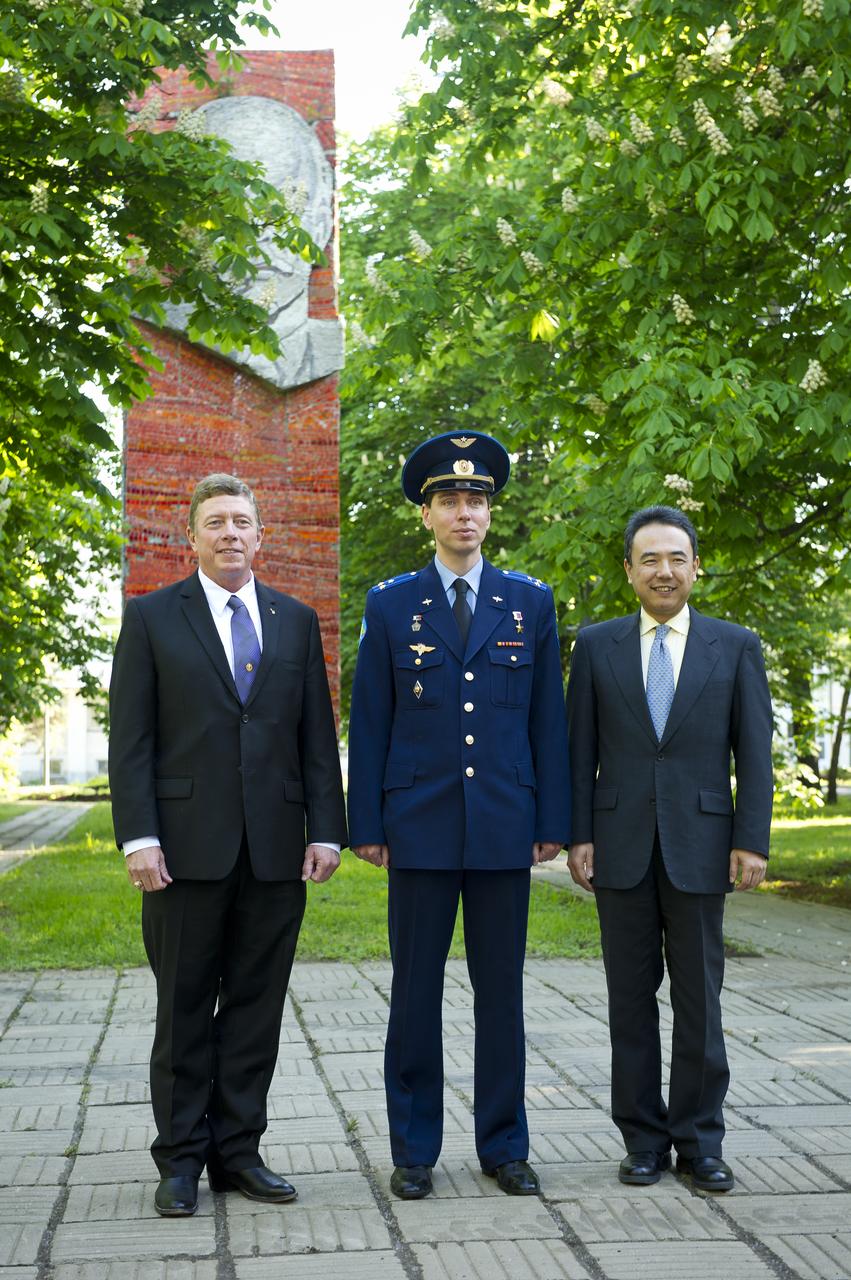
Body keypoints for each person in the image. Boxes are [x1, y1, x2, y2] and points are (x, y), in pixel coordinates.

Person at [109, 473, 347, 1217]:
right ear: (192, 537)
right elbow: (133, 741)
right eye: (215, 522)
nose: (230, 533)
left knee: (254, 1009)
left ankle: (238, 1153)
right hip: (182, 852)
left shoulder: (295, 620)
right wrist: (139, 838)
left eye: (242, 521)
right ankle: (179, 1160)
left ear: (259, 535)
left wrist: (328, 830)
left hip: (275, 852)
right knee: (183, 1009)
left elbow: (314, 735)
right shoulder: (151, 618)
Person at [347, 431, 570, 1200]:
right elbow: (369, 720)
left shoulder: (529, 602)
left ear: (490, 513)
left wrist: (555, 817)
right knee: (414, 994)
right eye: (449, 500)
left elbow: (549, 721)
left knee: (500, 992)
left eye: (476, 500)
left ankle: (504, 1146)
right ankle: (413, 1151)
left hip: (506, 822)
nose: (464, 513)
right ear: (427, 515)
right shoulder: (390, 604)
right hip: (418, 825)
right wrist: (366, 824)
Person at [566, 505, 773, 1193]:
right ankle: (643, 1142)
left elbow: (754, 753)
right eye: (649, 558)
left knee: (699, 1002)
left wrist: (750, 840)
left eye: (675, 558)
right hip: (618, 847)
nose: (663, 570)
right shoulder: (595, 647)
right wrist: (579, 835)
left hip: (703, 845)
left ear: (694, 567)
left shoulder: (734, 646)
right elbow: (578, 754)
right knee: (628, 1000)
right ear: (627, 570)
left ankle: (699, 1141)